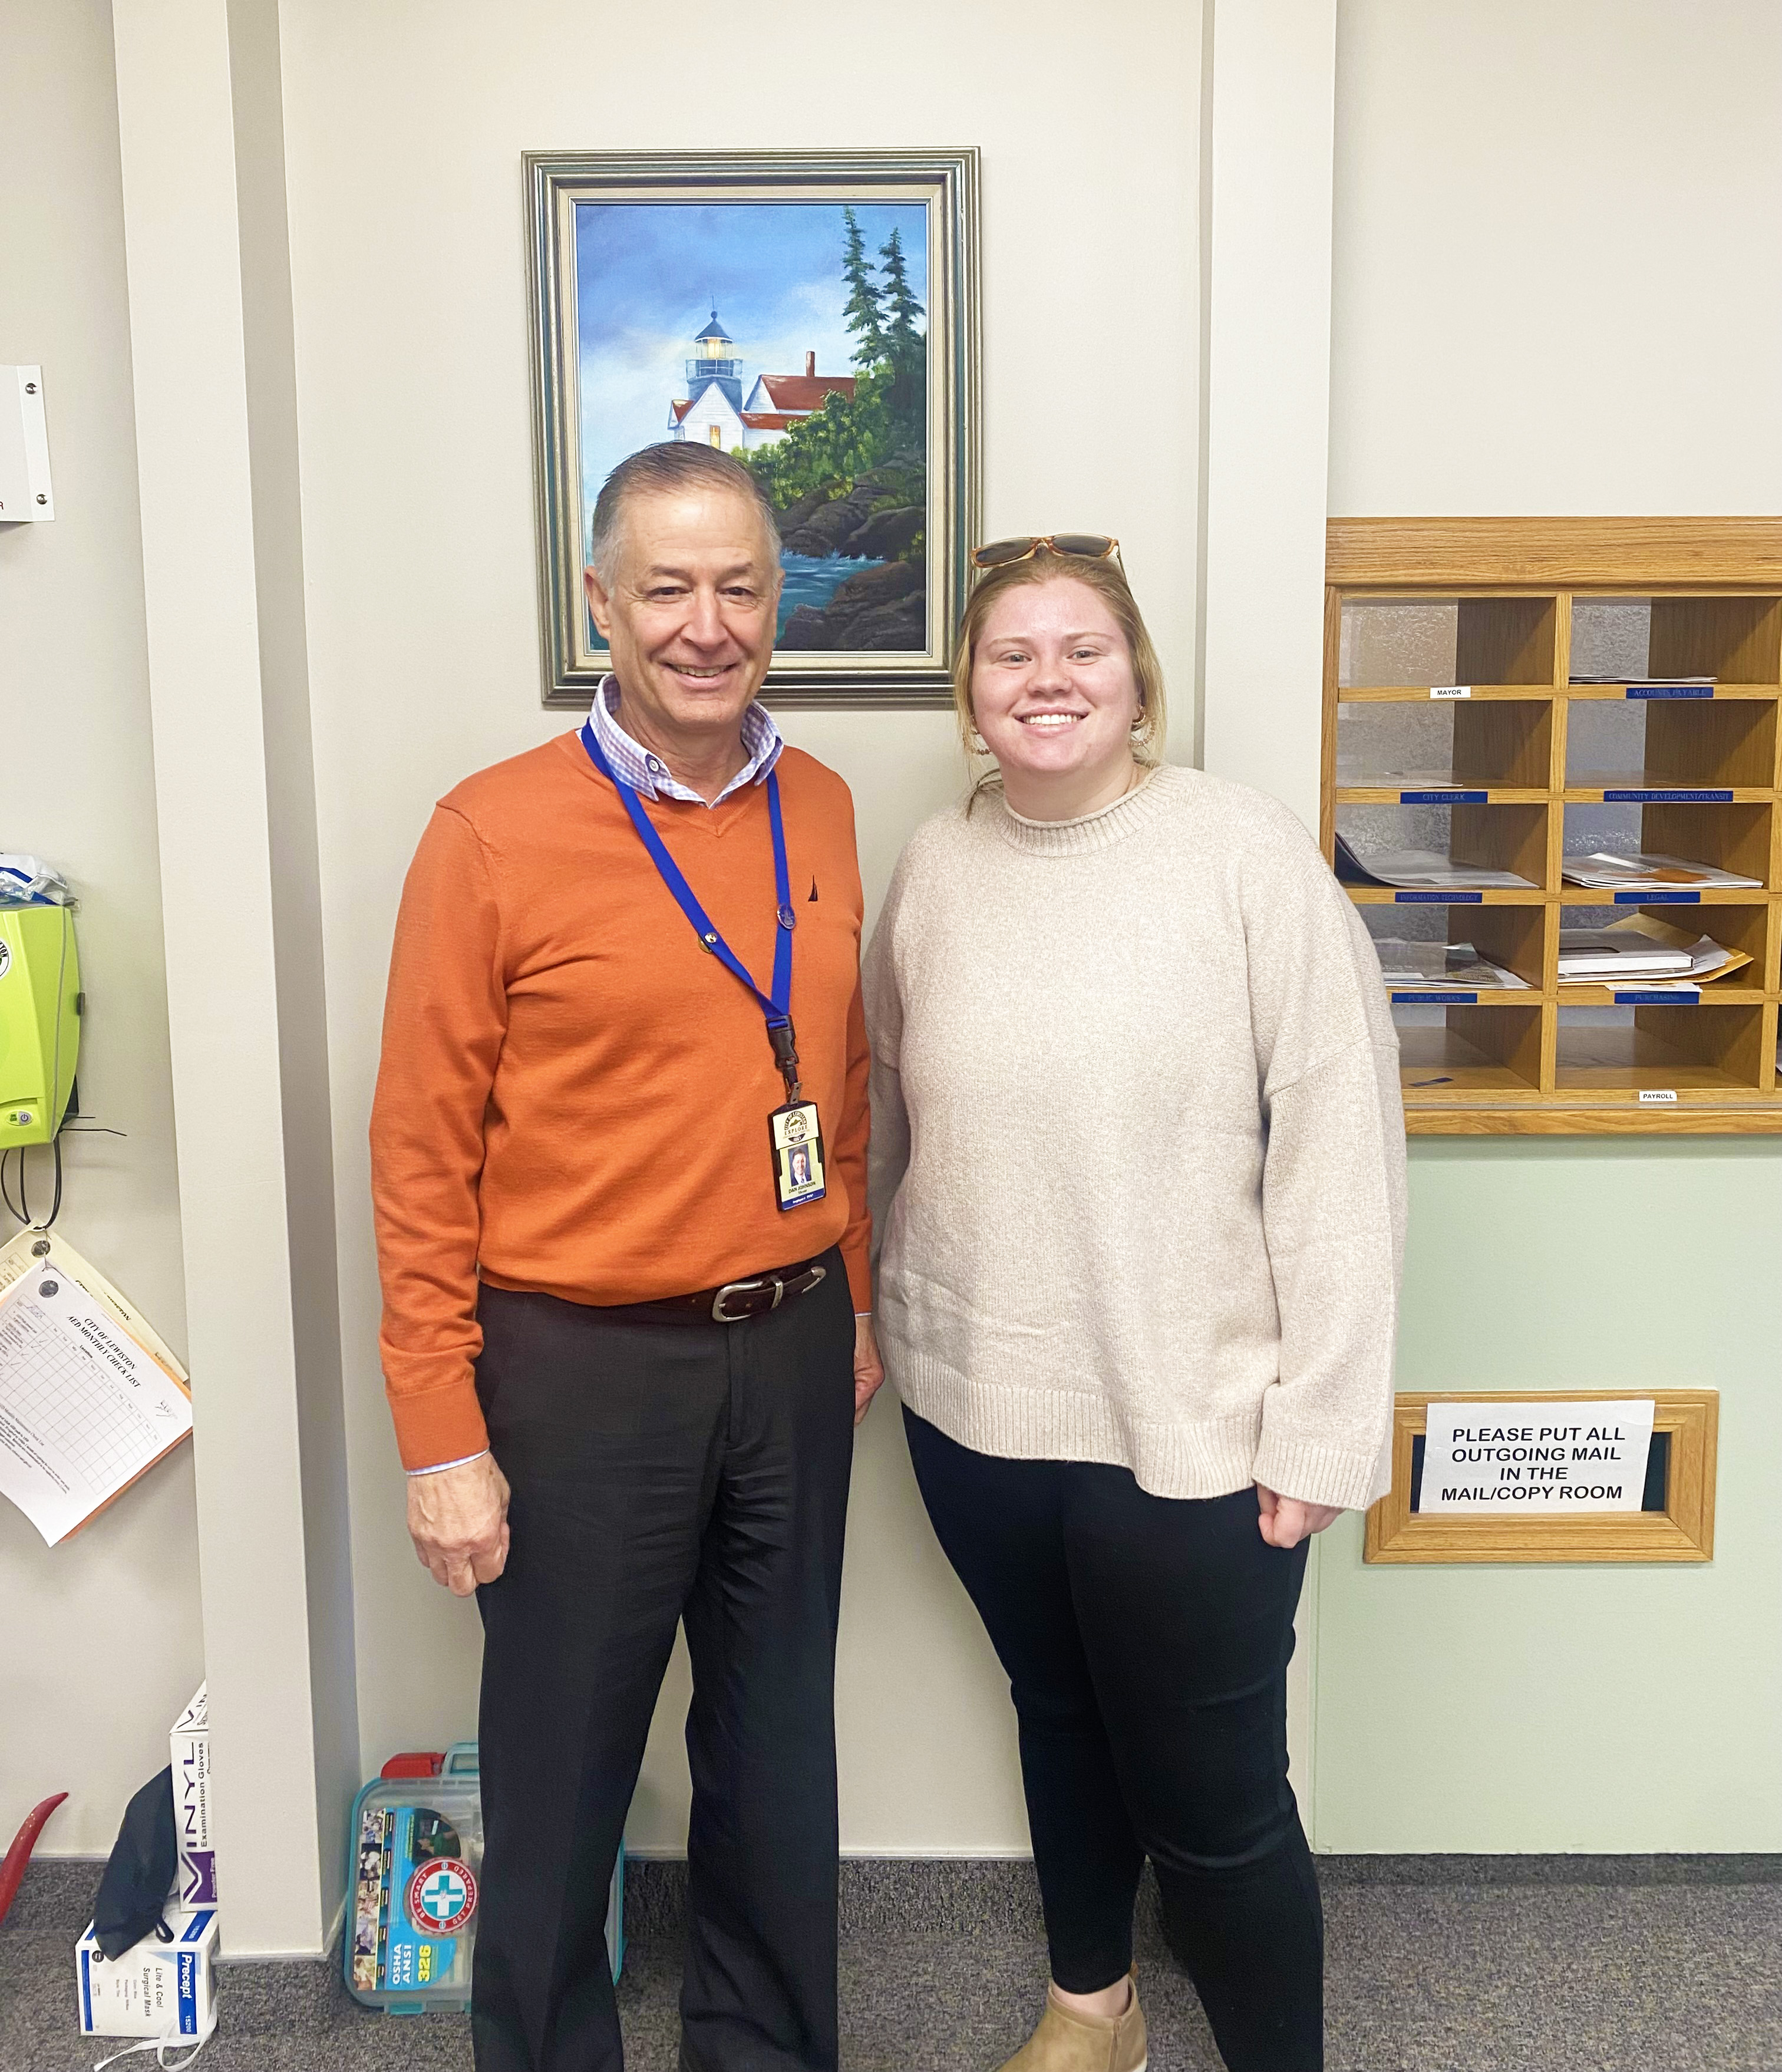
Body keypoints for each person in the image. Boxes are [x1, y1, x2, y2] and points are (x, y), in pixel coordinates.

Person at [370, 441, 885, 2072]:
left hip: (793, 1344)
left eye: (740, 585)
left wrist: (852, 1296)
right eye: (667, 587)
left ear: (776, 602)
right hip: (578, 1368)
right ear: (600, 599)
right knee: (563, 1772)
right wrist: (441, 1431)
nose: (706, 623)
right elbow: (419, 1152)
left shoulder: (823, 801)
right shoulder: (492, 831)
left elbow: (839, 1089)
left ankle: (765, 2051)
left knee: (775, 1758)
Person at [863, 537, 1405, 2072]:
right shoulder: (937, 869)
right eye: (1013, 653)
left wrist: (1322, 1424)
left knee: (1219, 1800)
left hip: (1199, 1418)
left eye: (1081, 648)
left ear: (1134, 680)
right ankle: (1093, 2010)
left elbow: (1342, 1152)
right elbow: (888, 1112)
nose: (1047, 677)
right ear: (971, 695)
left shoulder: (1242, 856)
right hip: (976, 1403)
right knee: (1059, 1709)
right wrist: (873, 1312)